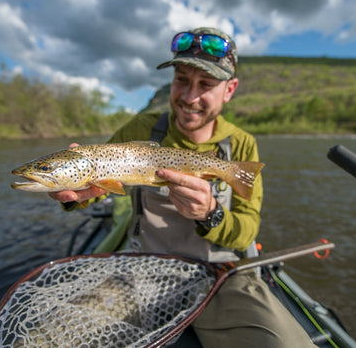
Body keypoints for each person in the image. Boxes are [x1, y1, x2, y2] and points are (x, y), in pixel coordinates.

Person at [50, 27, 316, 347]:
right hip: (143, 268)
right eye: (181, 80)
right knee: (54, 336)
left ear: (229, 90)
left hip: (222, 275)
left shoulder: (242, 145)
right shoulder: (140, 128)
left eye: (205, 85)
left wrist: (210, 213)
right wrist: (74, 196)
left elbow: (247, 232)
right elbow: (98, 188)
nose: (190, 97)